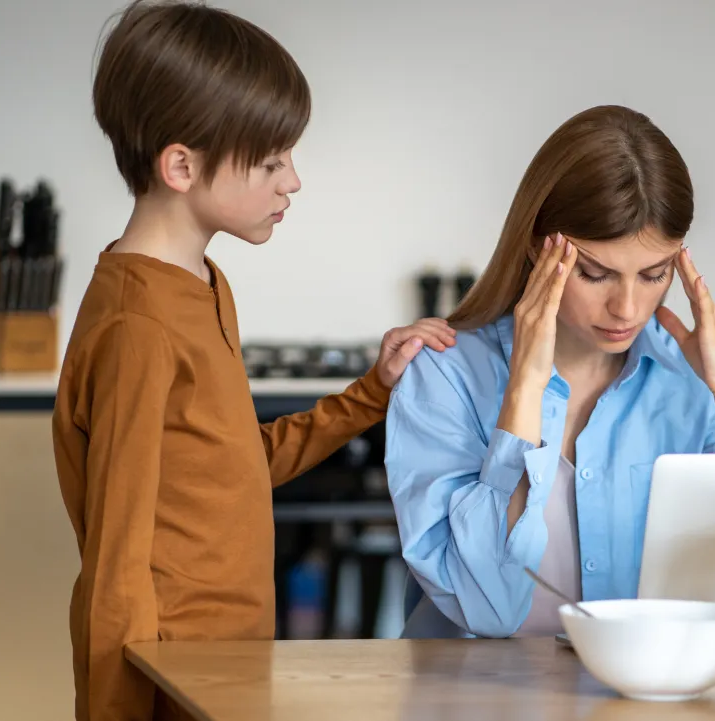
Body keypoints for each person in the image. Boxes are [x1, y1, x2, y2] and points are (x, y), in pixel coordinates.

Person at [51, 3, 454, 720]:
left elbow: (239, 465)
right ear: (182, 166)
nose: (292, 181)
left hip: (227, 673)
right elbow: (116, 568)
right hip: (173, 683)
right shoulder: (139, 326)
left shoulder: (204, 284)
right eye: (271, 161)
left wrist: (373, 391)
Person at [384, 104, 715, 639]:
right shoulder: (444, 377)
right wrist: (525, 390)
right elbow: (485, 611)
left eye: (654, 275)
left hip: (645, 683)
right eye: (594, 273)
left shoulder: (701, 385)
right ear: (537, 246)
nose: (627, 309)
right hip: (473, 687)